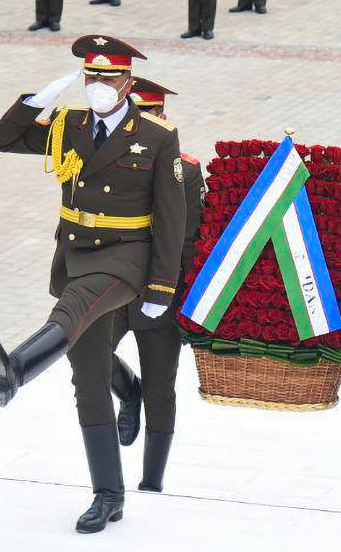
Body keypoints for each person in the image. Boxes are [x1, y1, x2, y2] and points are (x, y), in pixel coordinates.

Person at [0, 34, 186, 534]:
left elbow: (172, 216)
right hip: (75, 252)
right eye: (91, 77)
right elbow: (1, 139)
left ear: (128, 82)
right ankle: (108, 495)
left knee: (71, 310)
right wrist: (38, 100)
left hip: (125, 258)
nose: (98, 85)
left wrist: (160, 287)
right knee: (88, 374)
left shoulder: (156, 136)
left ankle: (16, 369)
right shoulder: (70, 123)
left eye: (109, 77)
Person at [104, 77, 203, 493]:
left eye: (151, 114)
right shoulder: (106, 159)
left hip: (160, 293)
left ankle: (152, 481)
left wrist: (182, 299)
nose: (144, 122)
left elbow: (191, 239)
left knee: (161, 389)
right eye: (137, 114)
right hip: (111, 287)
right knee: (88, 352)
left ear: (163, 118)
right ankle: (128, 392)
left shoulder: (188, 169)